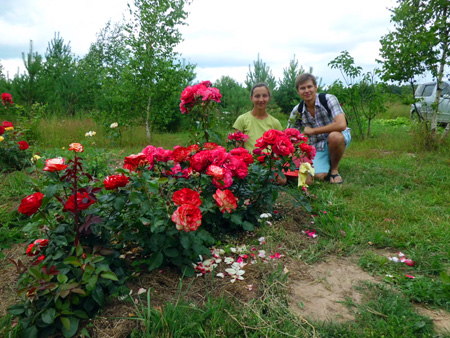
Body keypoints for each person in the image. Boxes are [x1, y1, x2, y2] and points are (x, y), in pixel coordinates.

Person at [287, 73, 351, 184]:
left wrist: (313, 131)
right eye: (302, 88)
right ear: (298, 92)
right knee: (319, 176)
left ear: (315, 87)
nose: (306, 90)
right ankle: (328, 162)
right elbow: (289, 134)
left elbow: (341, 124)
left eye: (309, 87)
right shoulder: (297, 110)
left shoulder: (329, 99)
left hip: (338, 137)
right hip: (316, 145)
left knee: (334, 136)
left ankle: (334, 170)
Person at [232, 83, 283, 152]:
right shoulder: (242, 119)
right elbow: (238, 148)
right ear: (251, 98)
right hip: (249, 161)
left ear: (269, 98)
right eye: (257, 96)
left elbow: (281, 146)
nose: (261, 99)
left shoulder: (275, 123)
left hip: (270, 162)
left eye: (264, 96)